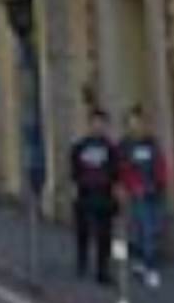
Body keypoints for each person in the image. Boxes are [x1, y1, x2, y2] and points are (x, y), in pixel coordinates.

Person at [119, 106, 168, 288]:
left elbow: (160, 163)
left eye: (139, 122)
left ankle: (140, 260)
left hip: (155, 190)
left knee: (151, 228)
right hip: (138, 192)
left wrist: (161, 182)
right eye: (133, 123)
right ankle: (150, 268)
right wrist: (132, 186)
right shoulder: (125, 146)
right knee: (146, 229)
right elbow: (124, 168)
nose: (137, 126)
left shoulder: (152, 143)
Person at [71, 108, 119, 285]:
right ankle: (82, 262)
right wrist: (75, 187)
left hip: (104, 194)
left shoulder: (110, 148)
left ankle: (102, 270)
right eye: (95, 123)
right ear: (90, 124)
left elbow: (115, 170)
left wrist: (114, 188)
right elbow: (74, 168)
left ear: (106, 125)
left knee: (104, 235)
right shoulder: (80, 146)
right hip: (85, 193)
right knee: (83, 231)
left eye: (101, 123)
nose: (98, 126)